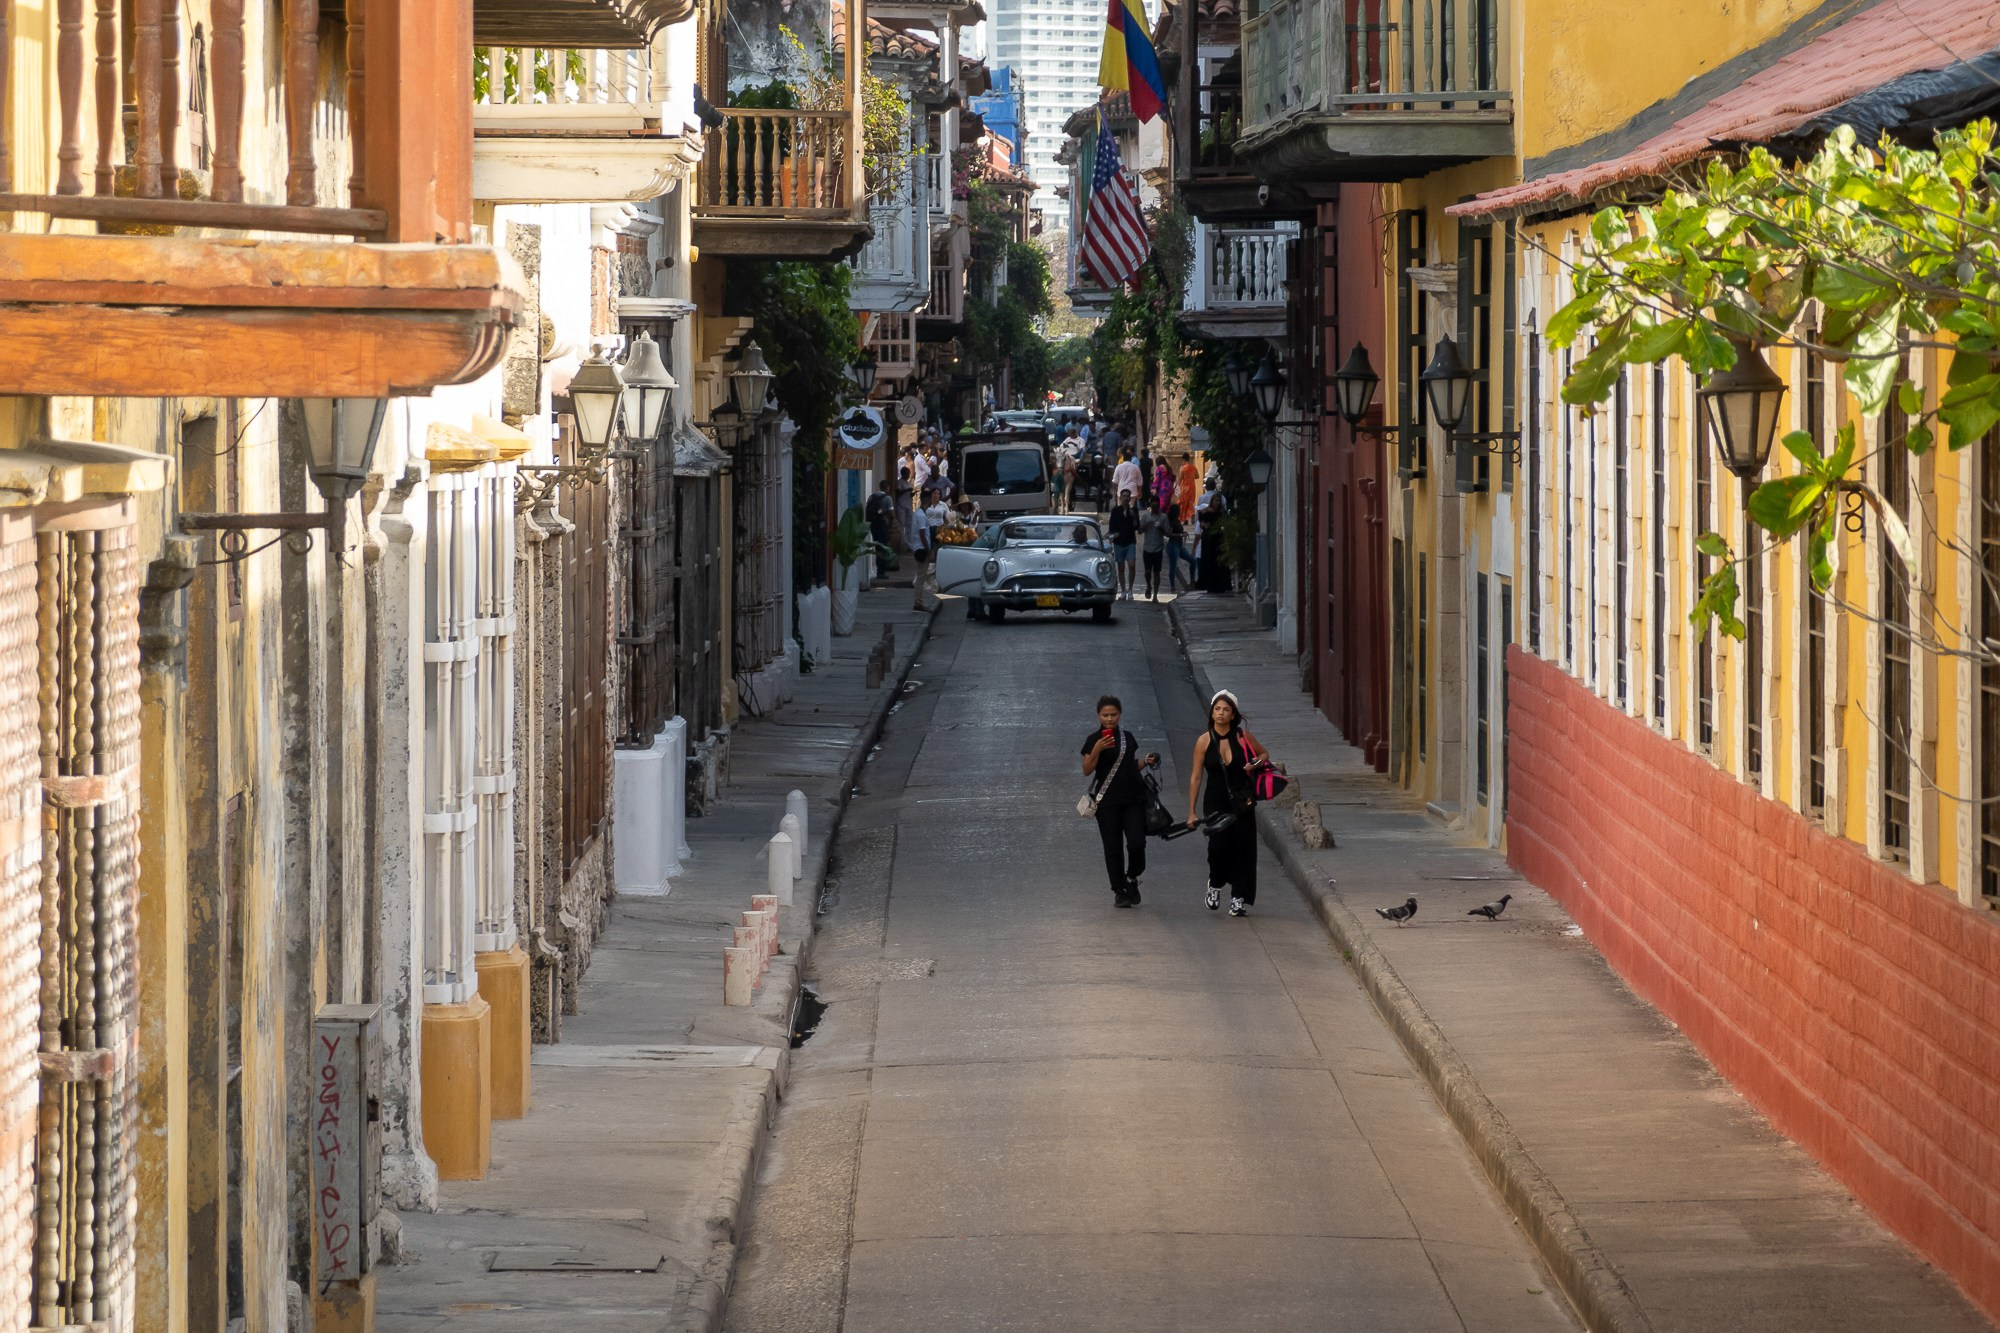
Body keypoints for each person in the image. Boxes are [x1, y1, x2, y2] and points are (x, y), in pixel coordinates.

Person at [1185, 690, 1265, 916]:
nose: (1221, 713)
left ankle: (1238, 898)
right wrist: (1191, 812)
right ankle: (1215, 884)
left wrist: (1255, 763)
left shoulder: (1243, 737)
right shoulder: (1203, 741)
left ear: (1233, 714)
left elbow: (1264, 754)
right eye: (1217, 709)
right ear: (1212, 712)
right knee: (1217, 847)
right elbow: (1196, 777)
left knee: (1243, 848)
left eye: (1226, 710)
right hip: (1215, 801)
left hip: (1241, 800)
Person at [1081, 695, 1160, 908]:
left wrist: (1146, 761)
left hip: (1133, 800)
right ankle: (1120, 890)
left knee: (1137, 843)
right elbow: (1087, 770)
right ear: (1098, 715)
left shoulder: (1127, 738)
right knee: (1112, 848)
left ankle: (1132, 877)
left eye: (1113, 715)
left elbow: (1129, 766)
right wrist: (1097, 749)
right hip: (1107, 803)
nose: (1109, 719)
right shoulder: (1093, 740)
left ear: (1120, 714)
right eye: (1105, 715)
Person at [1106, 489, 1139, 599]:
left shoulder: (1133, 510)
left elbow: (1136, 527)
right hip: (1119, 542)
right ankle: (1123, 590)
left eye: (1128, 496)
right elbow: (1111, 527)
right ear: (1120, 498)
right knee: (1121, 567)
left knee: (1131, 565)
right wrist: (1111, 540)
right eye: (1124, 496)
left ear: (1130, 498)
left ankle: (1130, 590)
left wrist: (1134, 517)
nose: (1126, 498)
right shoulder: (1116, 510)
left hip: (1130, 541)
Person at [1137, 496, 1167, 600]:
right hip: (1147, 548)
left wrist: (1161, 528)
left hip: (1158, 548)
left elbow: (1168, 533)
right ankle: (1149, 586)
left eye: (1156, 504)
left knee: (1157, 572)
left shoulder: (1163, 517)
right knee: (1147, 571)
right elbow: (1139, 531)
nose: (1154, 506)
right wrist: (1146, 525)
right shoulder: (1146, 517)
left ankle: (1155, 595)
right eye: (1153, 504)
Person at [865, 479, 898, 572]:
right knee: (883, 546)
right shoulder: (888, 498)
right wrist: (891, 524)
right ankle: (881, 570)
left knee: (877, 546)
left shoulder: (871, 497)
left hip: (873, 525)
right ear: (887, 487)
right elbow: (892, 514)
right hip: (882, 524)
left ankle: (879, 568)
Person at [1176, 452, 1202, 523]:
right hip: (1192, 487)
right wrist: (1191, 477)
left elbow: (1180, 478)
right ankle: (1190, 517)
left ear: (1183, 459)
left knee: (1183, 502)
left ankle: (1184, 519)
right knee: (1191, 502)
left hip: (1185, 487)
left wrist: (1177, 487)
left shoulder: (1183, 468)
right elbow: (1197, 476)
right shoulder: (1193, 467)